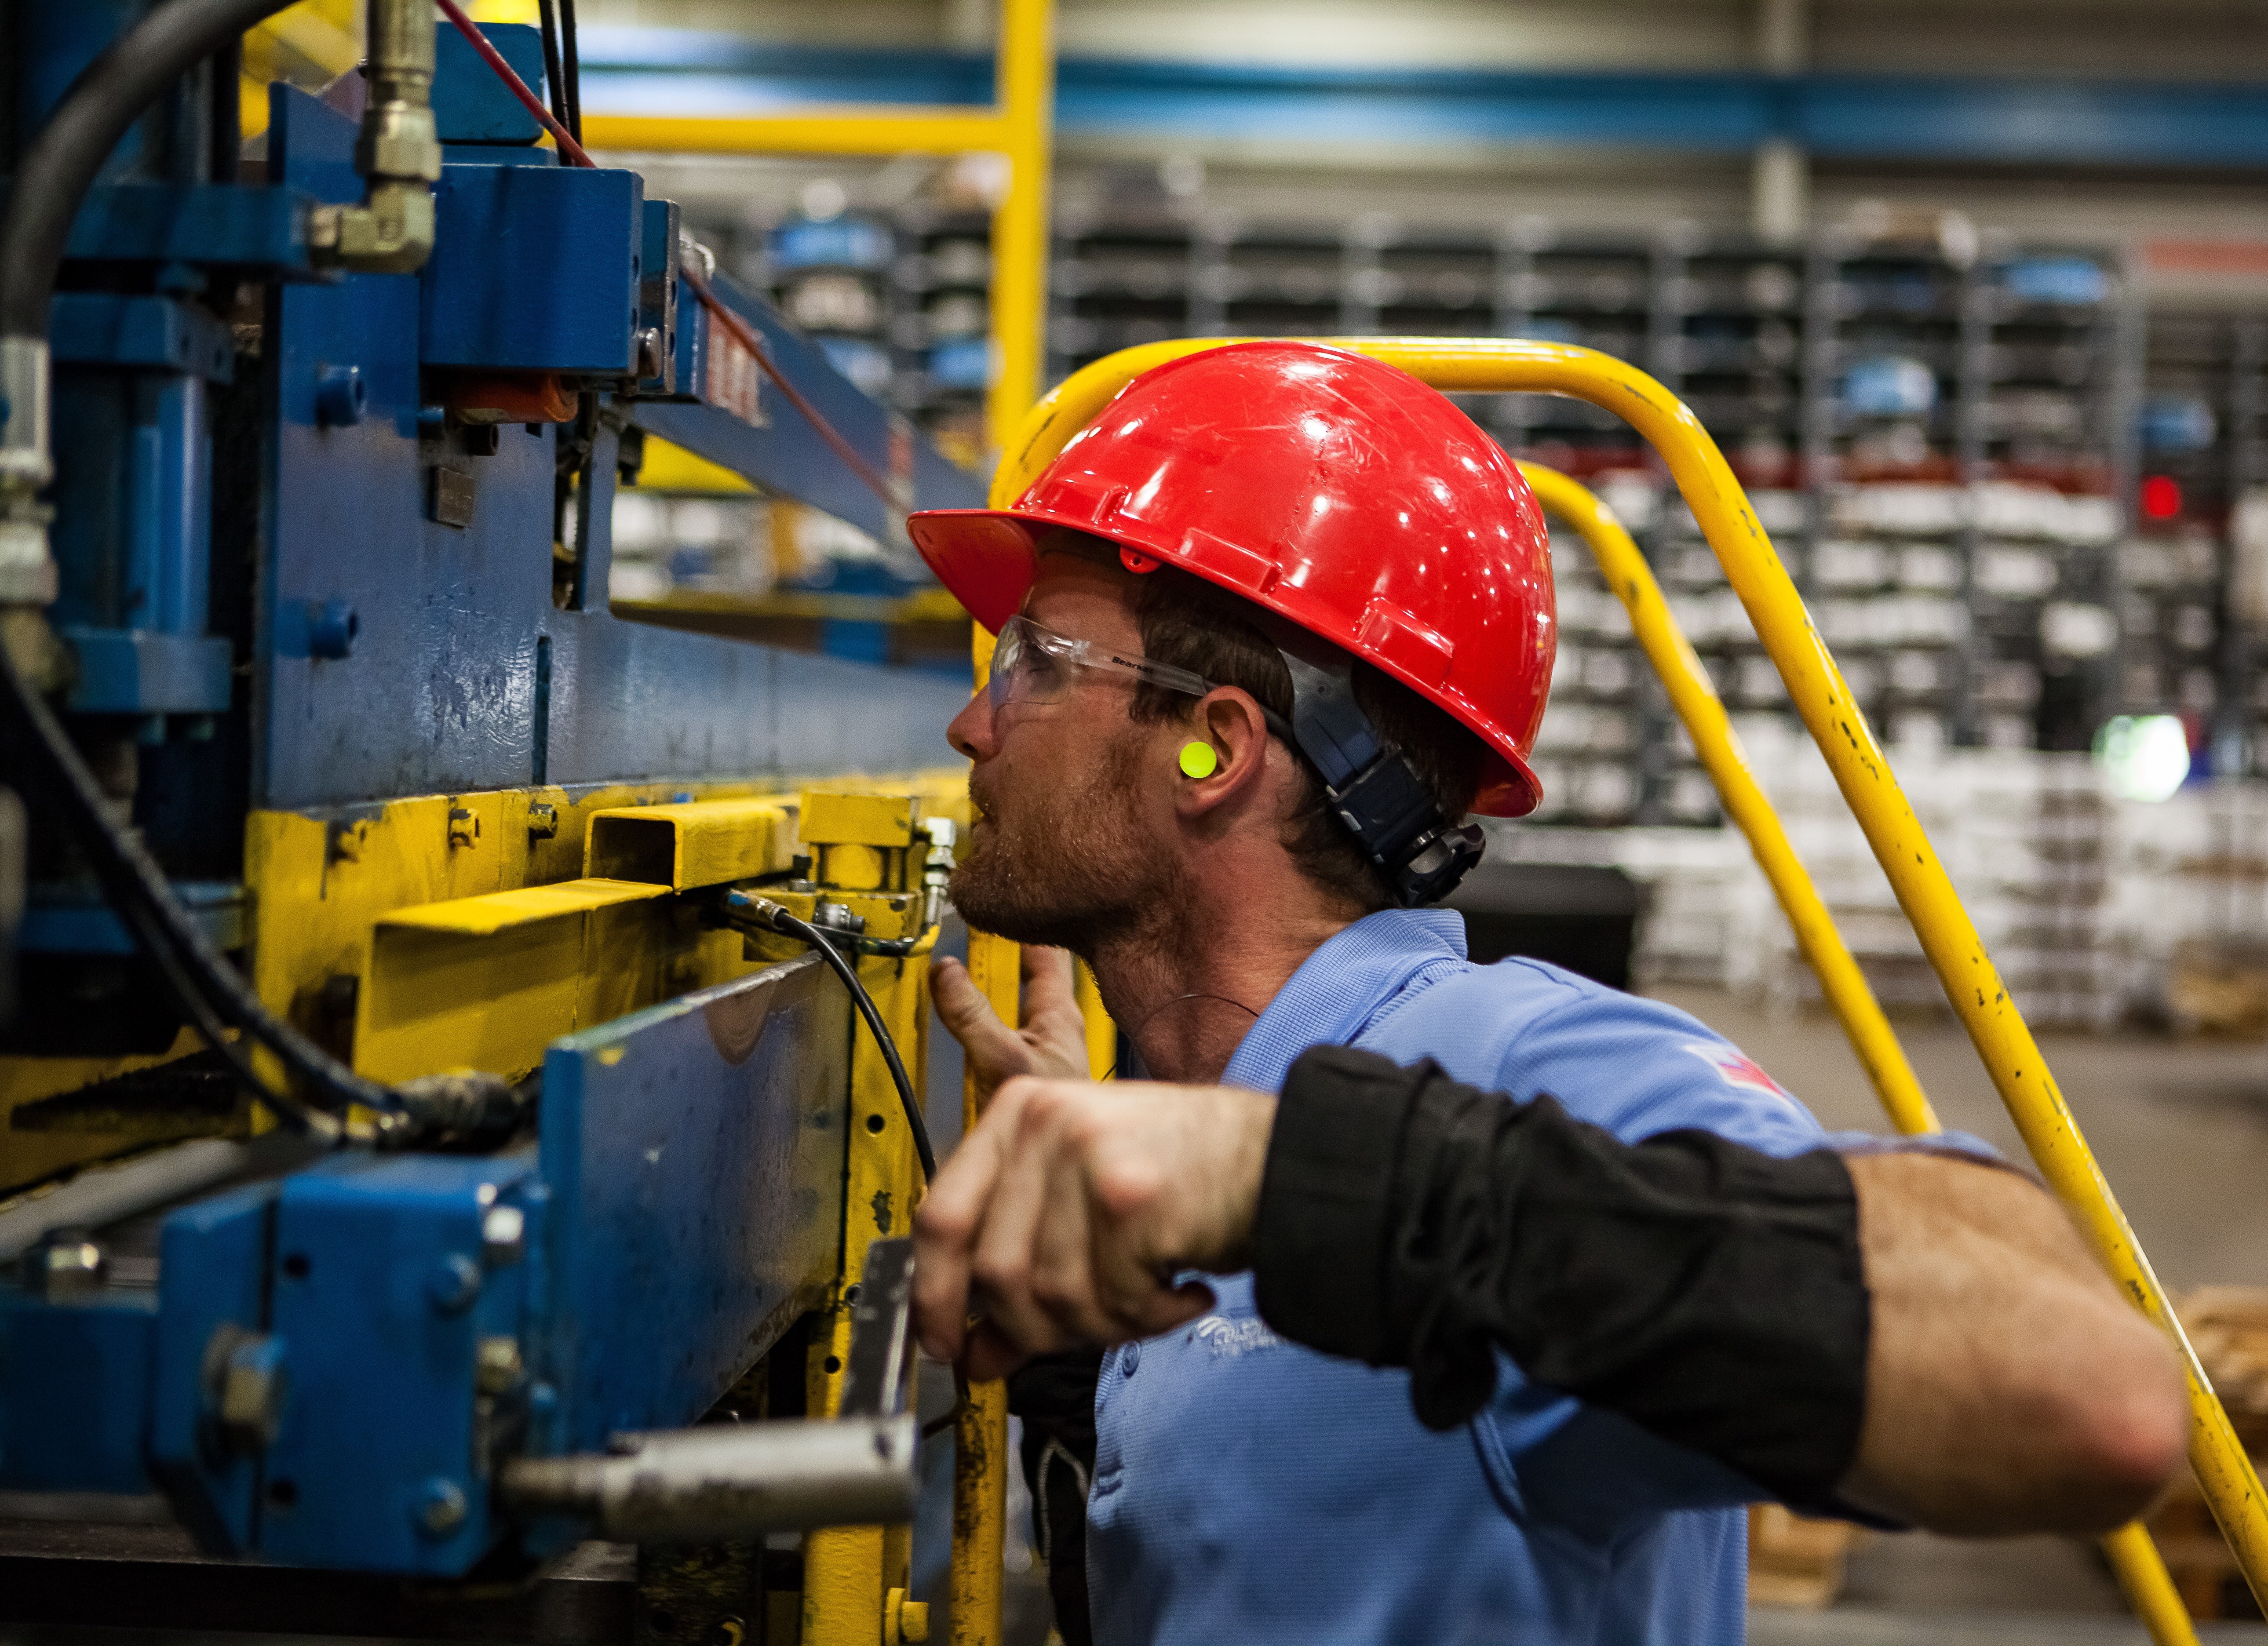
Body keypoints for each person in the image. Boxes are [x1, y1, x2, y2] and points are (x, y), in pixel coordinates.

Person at [902, 340, 2186, 1646]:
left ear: (1214, 748)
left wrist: (1292, 1173)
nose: (973, 725)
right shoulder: (1176, 1123)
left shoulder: (1524, 1064)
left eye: (1037, 662)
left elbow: (2089, 1389)